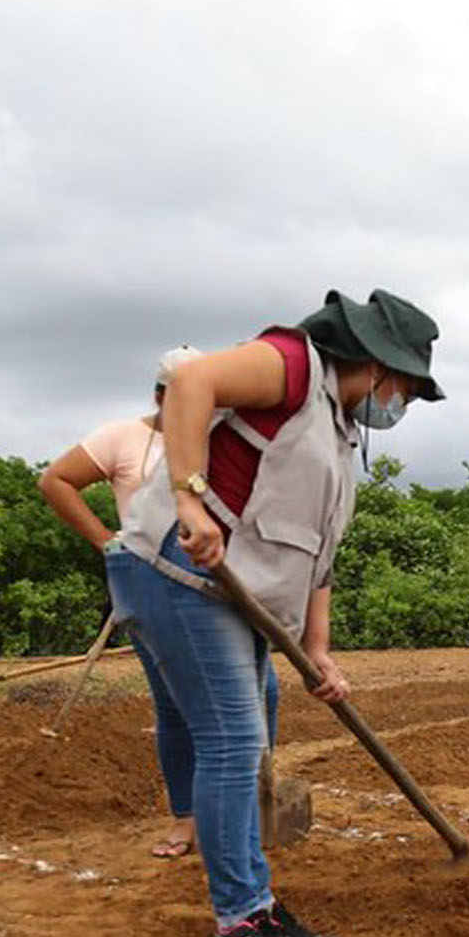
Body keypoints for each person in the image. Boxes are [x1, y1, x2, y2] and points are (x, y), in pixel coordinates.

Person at [106, 289, 443, 937]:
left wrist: (317, 651)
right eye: (407, 386)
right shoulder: (292, 364)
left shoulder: (340, 430)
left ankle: (252, 902)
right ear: (379, 364)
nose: (402, 402)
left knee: (251, 722)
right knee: (232, 737)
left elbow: (319, 556)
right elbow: (190, 383)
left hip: (238, 596)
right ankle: (238, 922)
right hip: (179, 571)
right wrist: (187, 496)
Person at [38, 346, 281, 859]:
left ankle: (252, 803)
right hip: (153, 584)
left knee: (266, 692)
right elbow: (55, 480)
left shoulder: (221, 439)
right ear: (160, 395)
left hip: (221, 586)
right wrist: (107, 539)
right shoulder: (123, 438)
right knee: (175, 707)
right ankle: (185, 818)